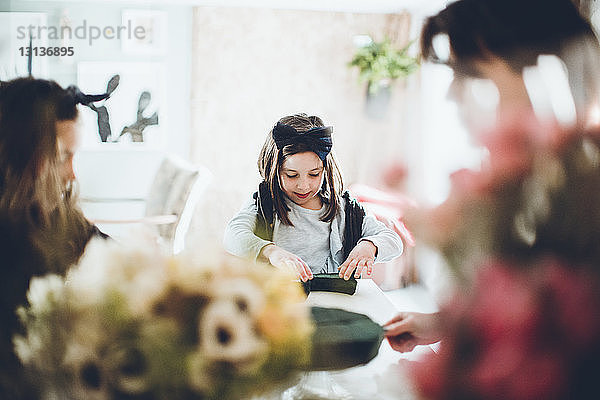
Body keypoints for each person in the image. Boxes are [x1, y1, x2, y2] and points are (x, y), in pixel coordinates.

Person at [384, 0, 600, 351]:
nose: (451, 95)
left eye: (469, 73)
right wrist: (449, 321)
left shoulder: (586, 199)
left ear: (545, 74)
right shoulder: (521, 184)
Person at [0, 77, 107, 398]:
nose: (73, 173)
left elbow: (108, 253)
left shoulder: (55, 214)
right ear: (18, 154)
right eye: (62, 157)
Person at [224, 113, 403, 282]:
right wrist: (270, 251)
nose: (304, 185)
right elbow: (233, 235)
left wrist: (369, 246)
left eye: (314, 174)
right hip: (280, 302)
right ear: (274, 170)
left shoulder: (345, 209)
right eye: (292, 175)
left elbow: (393, 240)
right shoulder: (263, 203)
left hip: (333, 300)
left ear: (325, 169)